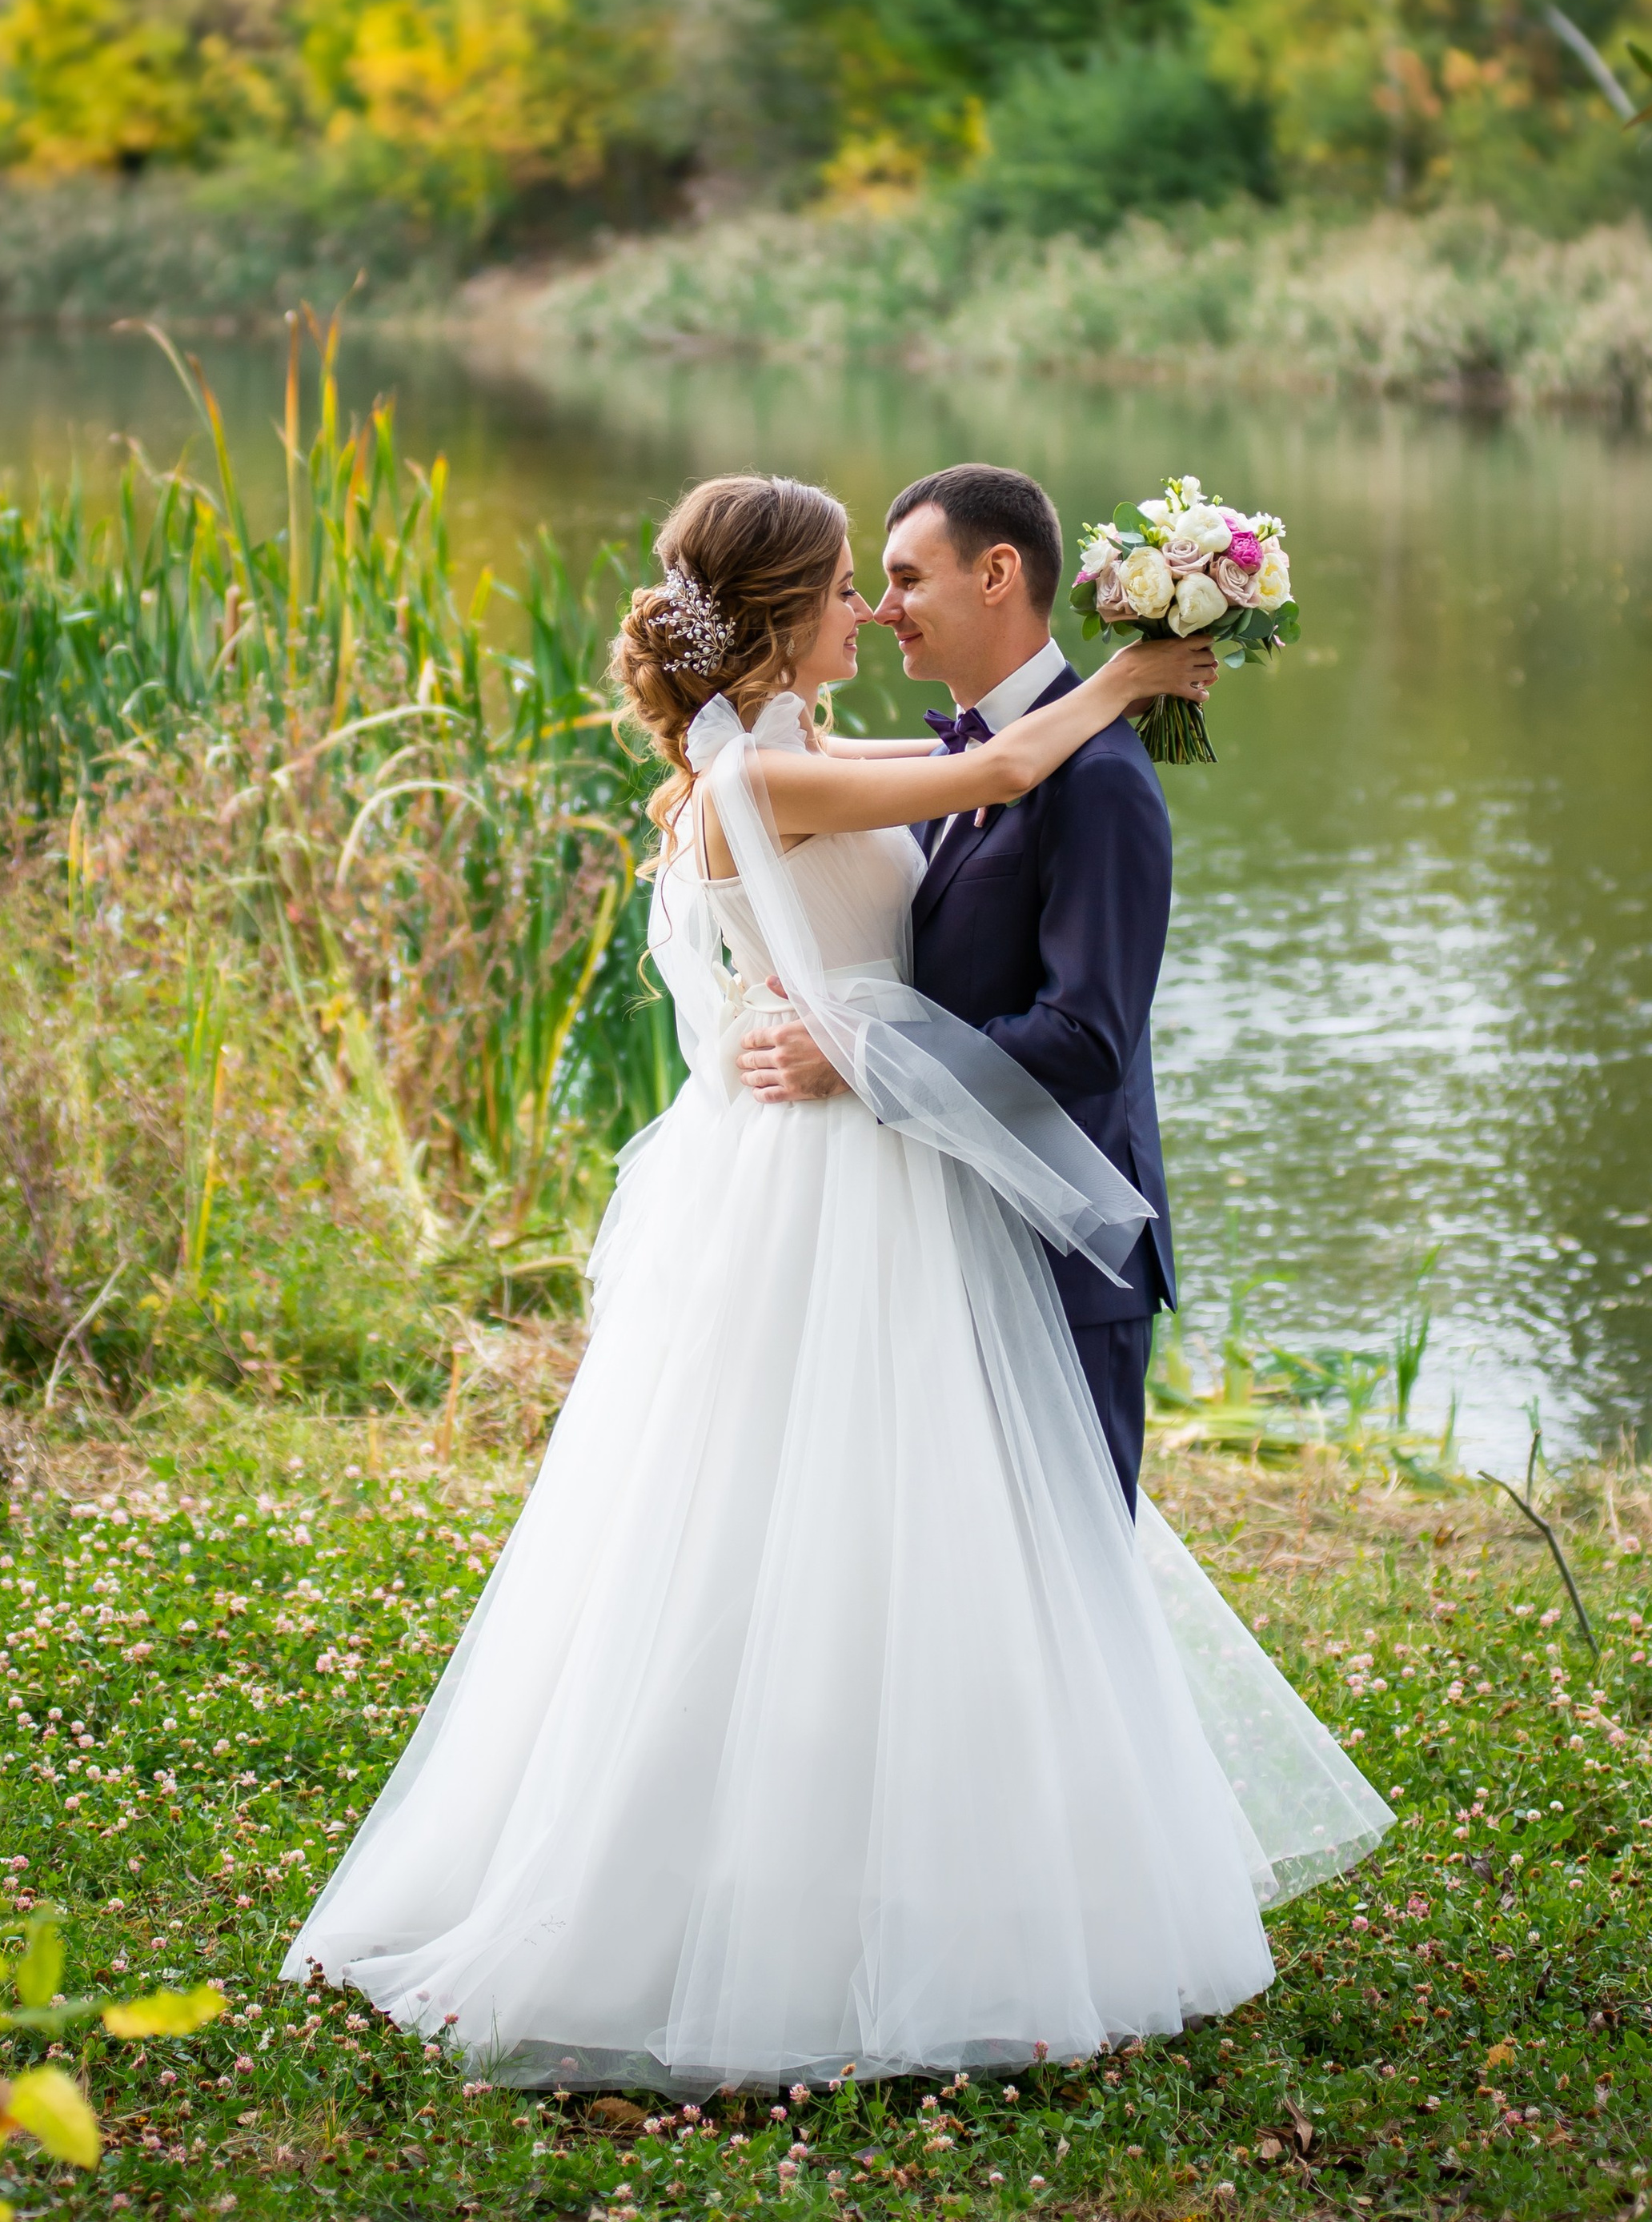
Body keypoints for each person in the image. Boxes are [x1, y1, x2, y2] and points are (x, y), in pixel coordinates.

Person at [283, 473, 1389, 2092]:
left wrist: (1108, 697)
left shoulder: (765, 757)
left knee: (876, 1534)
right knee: (822, 1534)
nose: (871, 608)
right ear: (787, 611)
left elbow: (983, 773)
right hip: (838, 1184)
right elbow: (994, 769)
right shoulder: (766, 776)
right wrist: (1136, 675)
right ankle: (790, 1907)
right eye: (851, 586)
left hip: (870, 1176)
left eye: (895, 579)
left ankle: (913, 1875)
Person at [740, 463, 1174, 1510]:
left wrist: (859, 1058)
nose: (882, 609)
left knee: (1064, 1562)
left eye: (905, 579)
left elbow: (1085, 1039)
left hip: (1059, 1253)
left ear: (996, 574)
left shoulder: (1101, 780)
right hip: (933, 1236)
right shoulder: (953, 761)